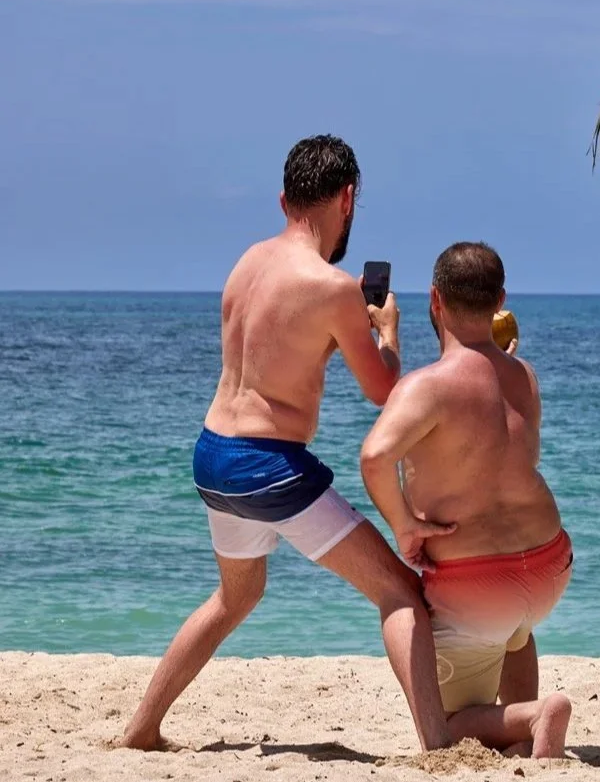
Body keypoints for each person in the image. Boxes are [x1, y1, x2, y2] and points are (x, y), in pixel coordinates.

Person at [119, 136, 454, 753]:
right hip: (269, 467)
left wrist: (343, 322)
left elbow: (282, 348)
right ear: (348, 199)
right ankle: (438, 748)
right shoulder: (329, 289)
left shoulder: (249, 261)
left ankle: (141, 730)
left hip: (213, 454)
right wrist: (388, 330)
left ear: (283, 199)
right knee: (398, 591)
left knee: (236, 595)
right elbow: (382, 391)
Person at [359, 242, 573, 758]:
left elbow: (373, 457)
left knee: (450, 724)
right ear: (500, 298)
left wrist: (405, 525)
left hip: (476, 587)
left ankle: (531, 714)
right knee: (516, 631)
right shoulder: (526, 378)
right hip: (548, 568)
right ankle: (522, 737)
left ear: (435, 299)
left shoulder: (425, 387)